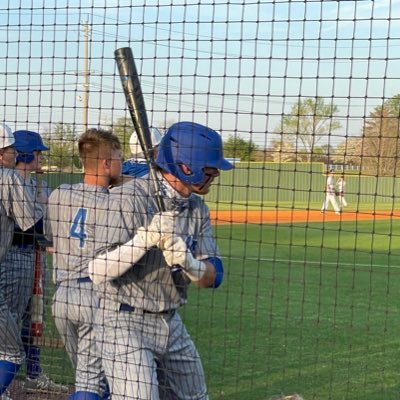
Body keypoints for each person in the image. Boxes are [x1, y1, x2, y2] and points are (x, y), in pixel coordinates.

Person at [87, 121, 234, 399]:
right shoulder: (128, 199)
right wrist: (142, 241)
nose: (215, 173)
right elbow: (96, 270)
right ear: (185, 167)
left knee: (195, 397)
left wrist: (190, 263)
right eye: (209, 168)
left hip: (170, 320)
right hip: (122, 320)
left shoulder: (196, 208)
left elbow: (215, 276)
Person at [46, 128, 126, 400]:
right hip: (95, 298)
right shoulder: (114, 202)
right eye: (118, 157)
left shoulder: (59, 193)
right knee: (92, 384)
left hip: (62, 300)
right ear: (105, 164)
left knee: (89, 379)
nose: (122, 162)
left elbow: (50, 238)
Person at [1, 130, 68, 396]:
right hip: (14, 255)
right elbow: (31, 225)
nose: (40, 157)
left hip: (35, 257)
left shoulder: (37, 183)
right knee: (10, 325)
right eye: (38, 152)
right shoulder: (11, 180)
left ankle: (34, 373)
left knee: (33, 319)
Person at [0, 124, 45, 398]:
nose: (14, 155)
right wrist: (46, 206)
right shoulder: (8, 178)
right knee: (11, 349)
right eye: (10, 150)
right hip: (11, 260)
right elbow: (31, 225)